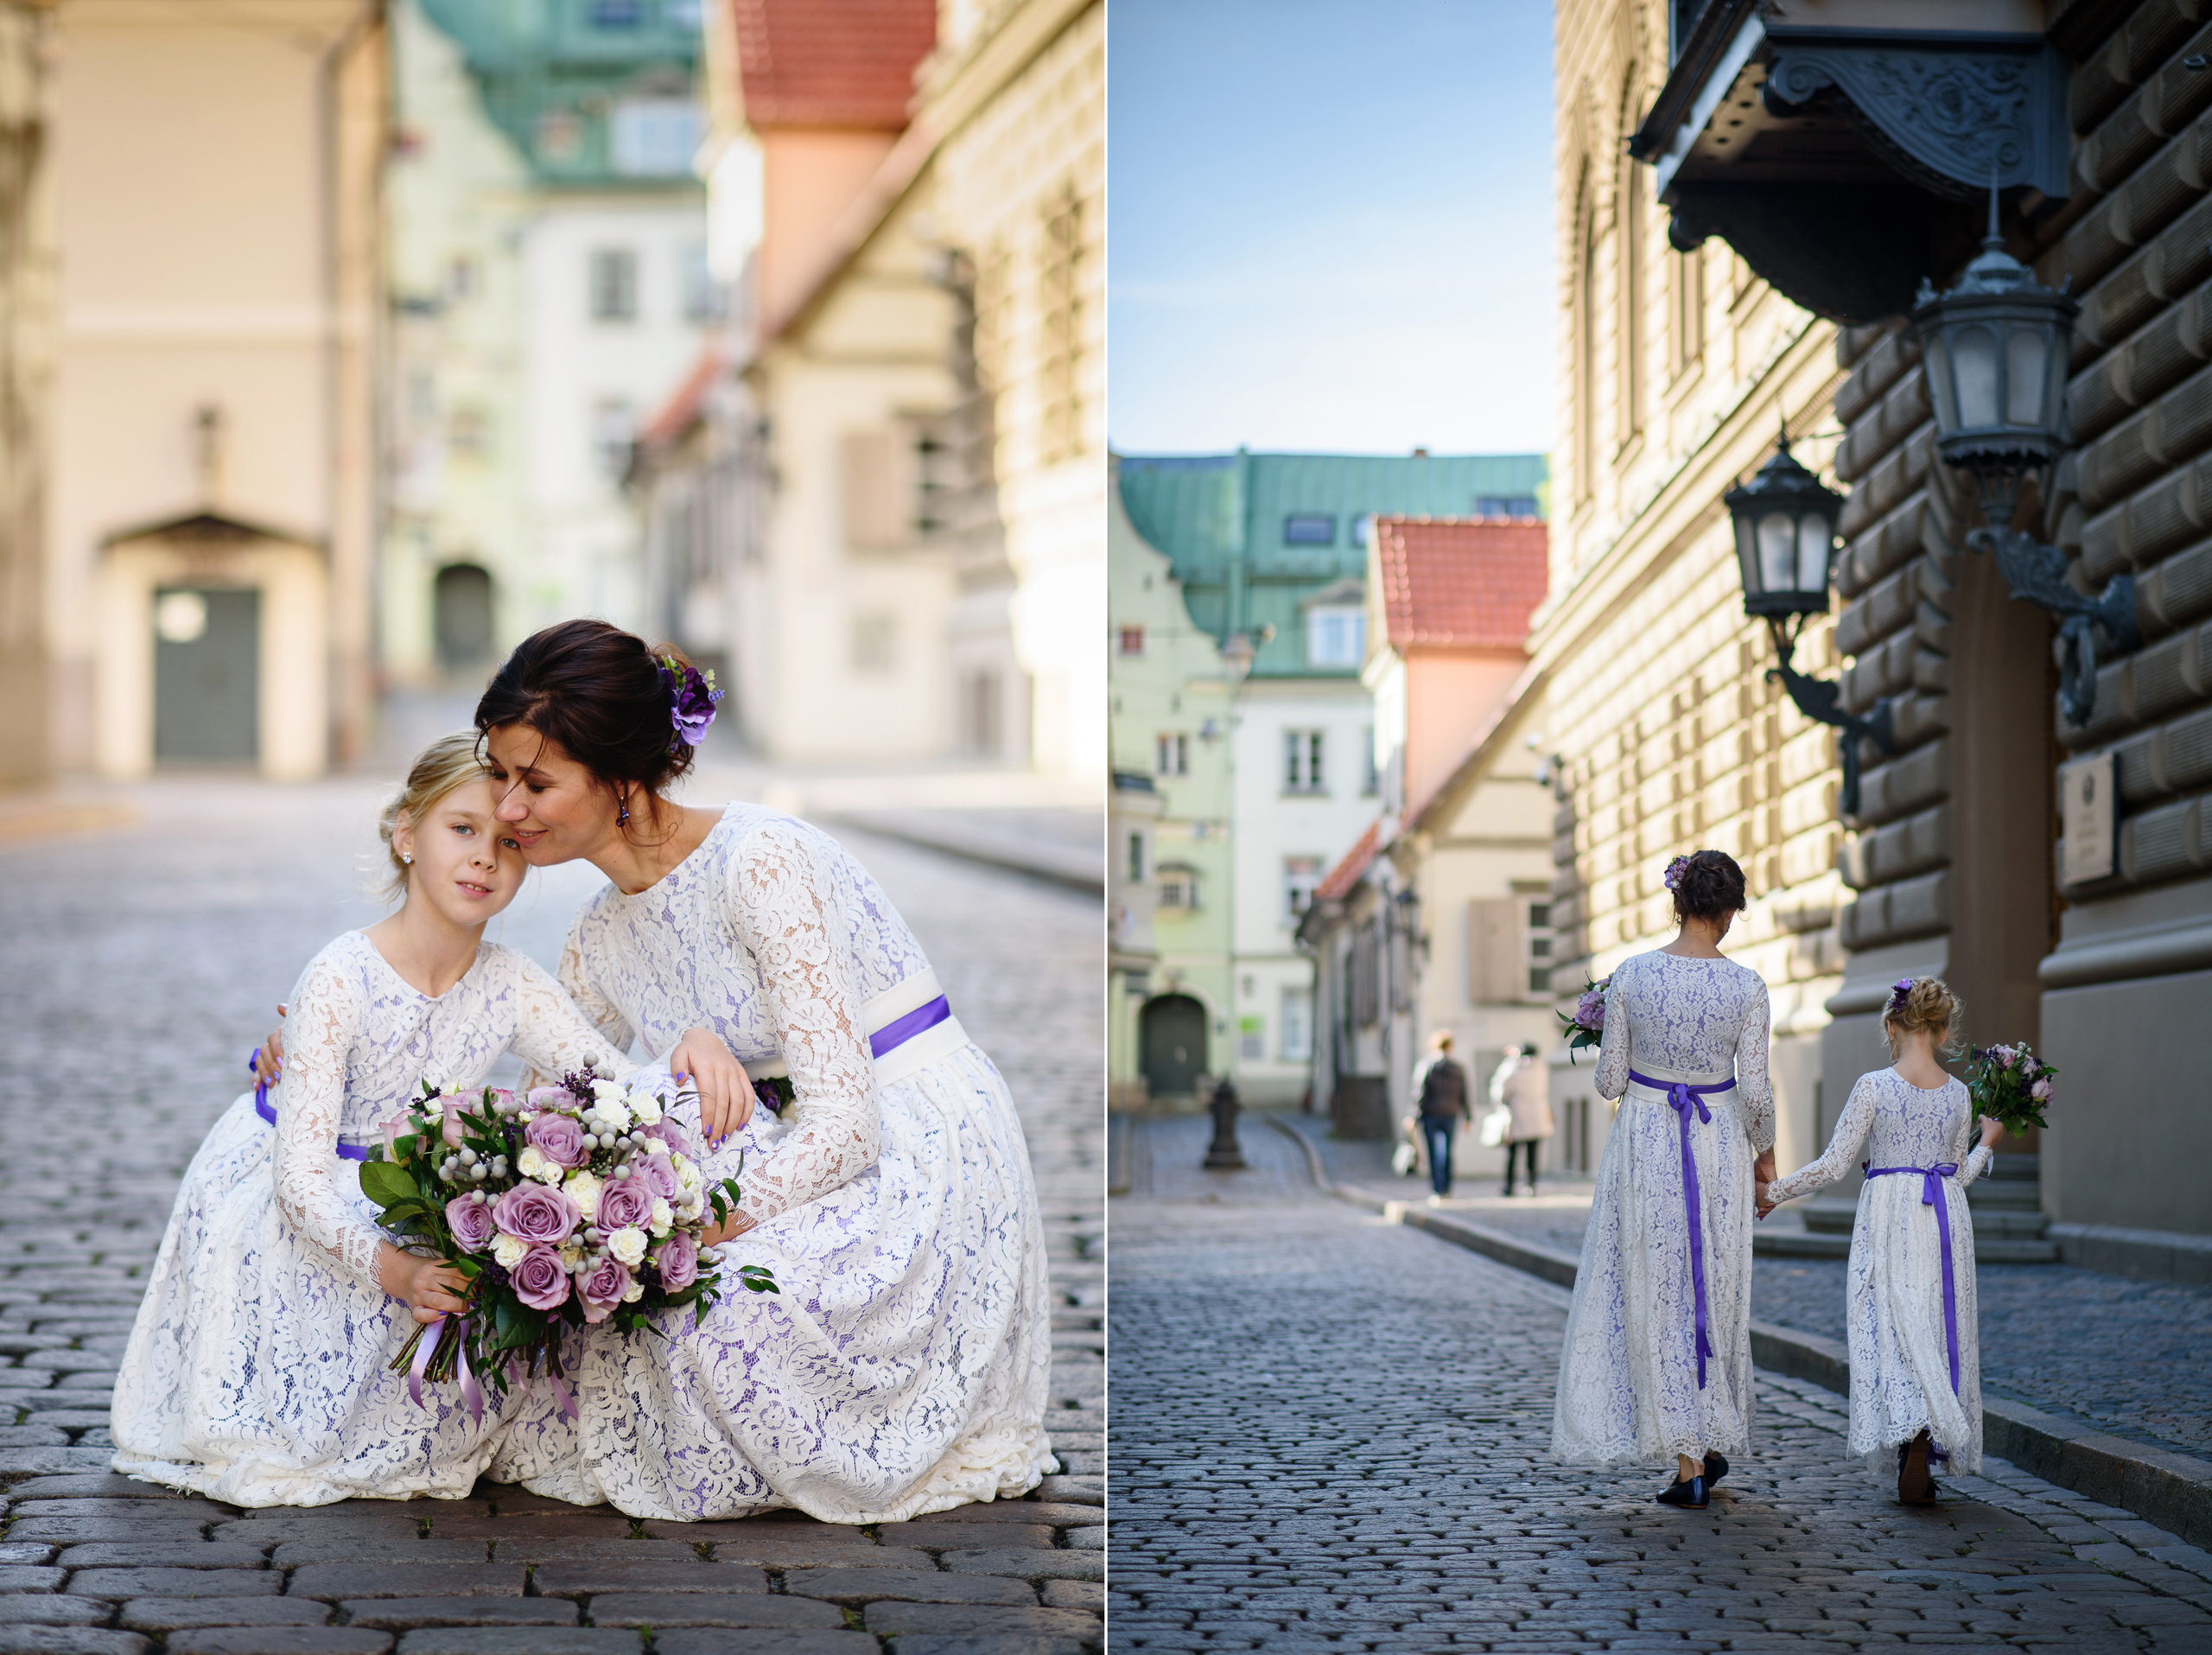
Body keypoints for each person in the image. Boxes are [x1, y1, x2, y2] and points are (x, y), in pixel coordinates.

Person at [465, 619, 1051, 1523]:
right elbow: (543, 1096)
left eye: (535, 781)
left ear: (621, 779)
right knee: (579, 1309)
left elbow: (847, 1127)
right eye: (500, 775)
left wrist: (686, 1229)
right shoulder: (599, 931)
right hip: (767, 1146)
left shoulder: (759, 861)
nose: (507, 809)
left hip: (904, 1142)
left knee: (710, 1306)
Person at [111, 735, 642, 1505]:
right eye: (461, 829)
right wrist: (394, 1270)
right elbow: (299, 1183)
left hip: (409, 1188)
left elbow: (613, 1081)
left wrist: (696, 1059)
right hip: (311, 1189)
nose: (484, 859)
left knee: (479, 1293)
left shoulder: (510, 982)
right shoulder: (340, 975)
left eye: (506, 842)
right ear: (405, 835)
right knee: (378, 1319)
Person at [1551, 849, 1774, 1511]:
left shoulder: (1632, 975)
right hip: (1718, 1146)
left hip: (1647, 1141)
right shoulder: (1748, 986)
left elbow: (1609, 1081)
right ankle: (1698, 1444)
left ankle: (1690, 1462)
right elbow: (1757, 1092)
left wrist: (1606, 1034)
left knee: (1657, 1289)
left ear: (1677, 902)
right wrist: (1765, 1157)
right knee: (1713, 1288)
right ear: (1728, 909)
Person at [1758, 976, 2001, 1505]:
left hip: (1887, 1212)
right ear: (1939, 1032)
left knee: (1888, 1323)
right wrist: (1988, 1144)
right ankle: (1927, 1436)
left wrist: (1773, 1192)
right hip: (1943, 1218)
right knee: (1934, 1322)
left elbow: (1834, 1164)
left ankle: (1908, 1434)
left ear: (1892, 1027)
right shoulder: (1959, 1095)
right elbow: (1956, 1174)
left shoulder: (1874, 1085)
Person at [1410, 1030, 1469, 1203]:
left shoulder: (1426, 1065)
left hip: (1431, 1114)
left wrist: (1413, 1116)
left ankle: (1438, 1189)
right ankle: (1448, 1188)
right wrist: (1468, 1116)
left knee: (1435, 1153)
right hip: (1451, 1114)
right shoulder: (1457, 1067)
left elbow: (1418, 1092)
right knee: (1447, 1152)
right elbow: (1464, 1093)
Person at [1492, 1043, 1554, 1197]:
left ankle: (1509, 1185)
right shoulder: (1542, 1068)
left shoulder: (1513, 1068)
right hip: (1538, 1113)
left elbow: (1501, 1091)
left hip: (1517, 1113)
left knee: (1513, 1154)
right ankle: (1531, 1184)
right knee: (1533, 1153)